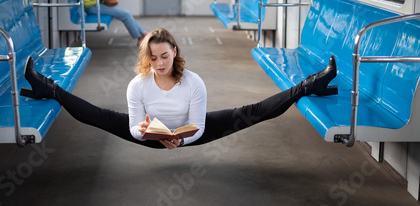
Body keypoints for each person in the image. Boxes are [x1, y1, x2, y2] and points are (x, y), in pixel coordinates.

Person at [21, 28, 338, 150]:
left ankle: (309, 86)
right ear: (147, 58)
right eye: (153, 58)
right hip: (152, 138)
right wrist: (144, 132)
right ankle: (48, 89)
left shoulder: (193, 82)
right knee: (100, 116)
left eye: (165, 56)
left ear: (174, 52)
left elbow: (199, 127)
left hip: (189, 133)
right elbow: (133, 128)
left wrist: (181, 140)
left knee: (250, 113)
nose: (159, 64)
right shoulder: (138, 85)